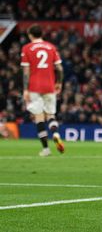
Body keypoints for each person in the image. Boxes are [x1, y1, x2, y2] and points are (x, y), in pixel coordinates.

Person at [20, 24, 65, 156]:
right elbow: (60, 68)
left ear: (30, 35)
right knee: (50, 115)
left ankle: (46, 149)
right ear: (41, 34)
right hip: (50, 85)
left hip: (34, 86)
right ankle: (56, 134)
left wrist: (25, 89)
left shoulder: (27, 48)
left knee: (39, 117)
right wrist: (59, 83)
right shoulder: (51, 47)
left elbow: (26, 71)